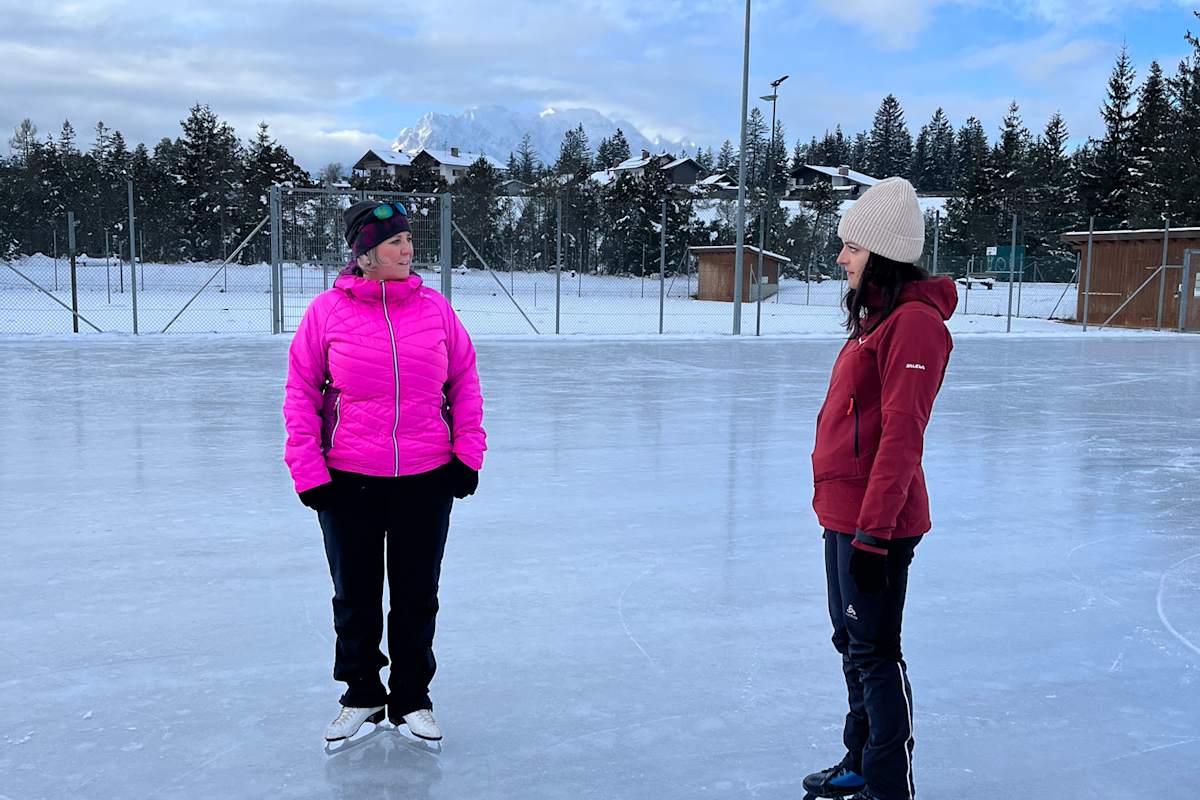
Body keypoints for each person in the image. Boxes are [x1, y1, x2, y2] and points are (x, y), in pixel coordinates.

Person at [283, 200, 486, 744]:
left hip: (426, 475)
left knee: (417, 593)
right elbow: (301, 391)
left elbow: (464, 381)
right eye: (395, 242)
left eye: (409, 240)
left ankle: (412, 698)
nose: (408, 249)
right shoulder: (327, 312)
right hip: (347, 478)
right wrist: (307, 468)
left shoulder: (436, 309)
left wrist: (467, 453)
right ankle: (363, 696)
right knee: (355, 594)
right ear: (366, 255)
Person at [803, 177, 956, 800]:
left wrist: (872, 534)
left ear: (883, 253)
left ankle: (889, 785)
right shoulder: (877, 319)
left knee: (875, 650)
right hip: (843, 512)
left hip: (879, 523)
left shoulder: (914, 325)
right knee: (851, 640)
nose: (842, 257)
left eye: (853, 248)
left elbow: (900, 438)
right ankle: (861, 760)